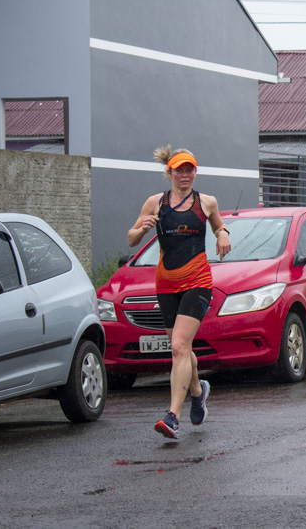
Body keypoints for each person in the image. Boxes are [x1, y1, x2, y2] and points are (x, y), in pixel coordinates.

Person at [128, 146, 231, 439]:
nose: (185, 175)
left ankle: (172, 416)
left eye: (189, 170)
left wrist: (223, 234)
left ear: (195, 172)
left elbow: (219, 226)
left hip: (198, 282)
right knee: (181, 347)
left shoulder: (206, 202)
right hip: (166, 283)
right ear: (169, 173)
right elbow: (131, 238)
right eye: (179, 170)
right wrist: (142, 229)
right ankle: (198, 392)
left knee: (178, 347)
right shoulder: (155, 203)